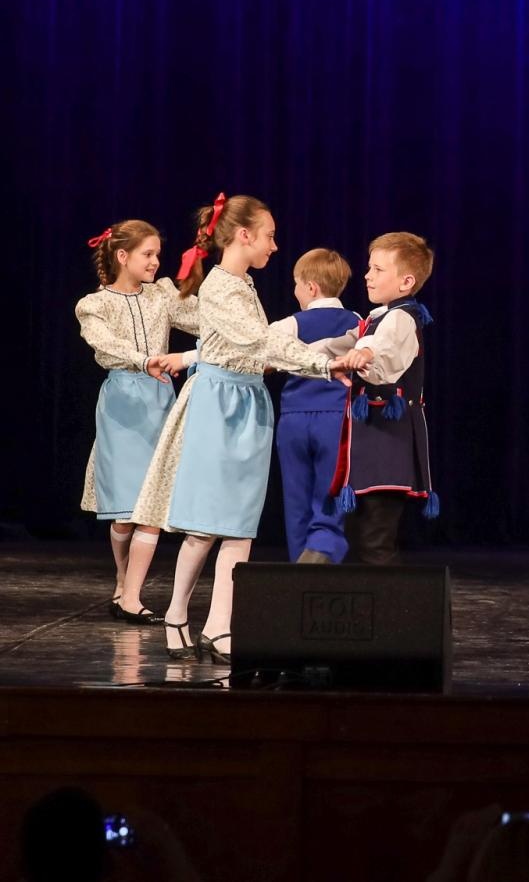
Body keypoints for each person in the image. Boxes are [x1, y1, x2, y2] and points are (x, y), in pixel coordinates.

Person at [133, 193, 350, 665]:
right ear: (244, 235)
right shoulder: (220, 287)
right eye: (269, 236)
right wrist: (324, 364)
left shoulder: (242, 285)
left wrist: (190, 355)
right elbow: (256, 342)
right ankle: (176, 615)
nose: (275, 245)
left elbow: (228, 345)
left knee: (239, 527)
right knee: (207, 522)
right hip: (220, 406)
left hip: (247, 401)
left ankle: (220, 625)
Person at [76, 220, 198, 624]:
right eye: (147, 254)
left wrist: (205, 281)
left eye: (157, 254)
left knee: (152, 503)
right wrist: (144, 359)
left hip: (160, 400)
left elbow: (200, 320)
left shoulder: (161, 294)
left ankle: (130, 596)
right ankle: (122, 579)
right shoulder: (95, 304)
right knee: (125, 511)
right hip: (123, 403)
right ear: (122, 256)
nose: (155, 261)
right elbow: (104, 342)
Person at [318, 232, 441, 565]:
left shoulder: (401, 318)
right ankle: (373, 606)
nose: (367, 275)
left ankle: (388, 610)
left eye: (377, 269)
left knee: (376, 537)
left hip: (389, 439)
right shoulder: (376, 317)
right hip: (371, 437)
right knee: (364, 533)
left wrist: (365, 353)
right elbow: (338, 345)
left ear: (406, 282)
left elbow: (382, 352)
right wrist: (294, 356)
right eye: (369, 267)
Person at [268, 248, 362, 563]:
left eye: (296, 284)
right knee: (329, 492)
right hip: (335, 418)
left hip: (294, 419)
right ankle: (323, 551)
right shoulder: (358, 322)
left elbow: (262, 354)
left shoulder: (288, 324)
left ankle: (300, 564)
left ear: (311, 288)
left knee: (296, 497)